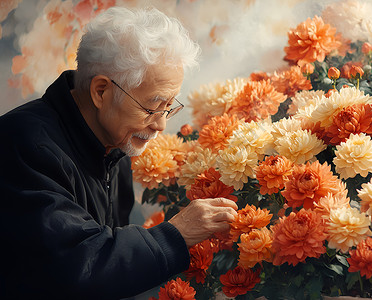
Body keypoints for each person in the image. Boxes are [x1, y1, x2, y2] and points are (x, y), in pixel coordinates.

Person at [0, 6, 238, 300]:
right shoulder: (24, 144)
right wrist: (175, 234)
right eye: (152, 107)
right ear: (101, 91)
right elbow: (74, 268)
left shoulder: (113, 144)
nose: (161, 124)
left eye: (169, 107)